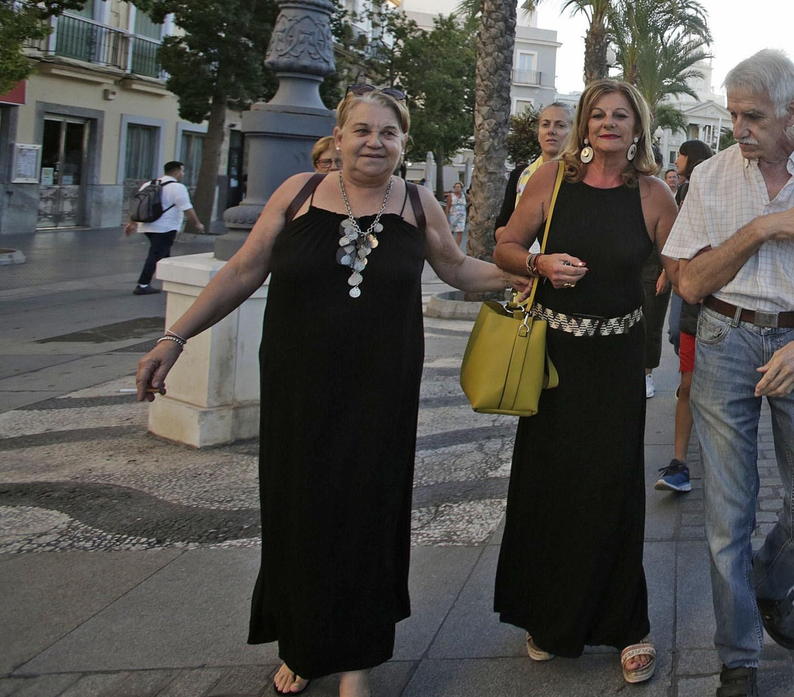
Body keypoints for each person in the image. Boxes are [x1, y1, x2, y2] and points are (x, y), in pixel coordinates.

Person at [134, 86, 521, 696]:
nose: (374, 142)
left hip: (381, 390)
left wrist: (532, 269)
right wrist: (175, 337)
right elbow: (240, 270)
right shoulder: (297, 194)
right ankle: (304, 644)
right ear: (338, 138)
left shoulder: (419, 205)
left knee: (368, 513)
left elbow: (458, 270)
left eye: (387, 133)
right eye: (362, 130)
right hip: (299, 387)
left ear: (403, 143)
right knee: (301, 510)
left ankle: (359, 660)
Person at [664, 50, 794, 697]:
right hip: (725, 340)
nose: (739, 127)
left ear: (793, 113)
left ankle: (769, 585)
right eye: (733, 114)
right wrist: (758, 230)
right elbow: (691, 282)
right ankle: (739, 660)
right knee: (731, 510)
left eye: (752, 115)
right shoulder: (713, 179)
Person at [491, 79, 678, 684]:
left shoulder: (653, 194)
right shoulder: (552, 180)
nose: (608, 124)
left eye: (620, 115)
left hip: (618, 360)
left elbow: (685, 264)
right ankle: (547, 616)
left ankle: (628, 626)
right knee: (551, 484)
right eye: (598, 114)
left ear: (636, 127)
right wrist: (537, 264)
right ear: (584, 124)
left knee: (615, 484)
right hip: (554, 360)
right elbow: (504, 246)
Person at [655, 138, 714, 494]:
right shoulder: (688, 194)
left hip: (732, 316)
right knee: (689, 384)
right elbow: (676, 242)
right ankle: (679, 463)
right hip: (697, 309)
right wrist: (671, 270)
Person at [125, 161, 204, 295]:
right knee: (155, 254)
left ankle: (171, 279)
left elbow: (137, 205)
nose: (183, 174)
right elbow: (187, 208)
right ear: (176, 172)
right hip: (165, 227)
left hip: (146, 225)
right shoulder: (178, 188)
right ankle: (143, 284)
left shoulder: (149, 184)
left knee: (164, 254)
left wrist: (131, 223)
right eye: (182, 171)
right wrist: (197, 224)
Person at [494, 102, 573, 236]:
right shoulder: (519, 175)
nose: (551, 131)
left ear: (575, 133)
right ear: (538, 132)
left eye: (560, 125)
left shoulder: (583, 176)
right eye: (545, 124)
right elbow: (500, 228)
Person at [443, 179, 468, 250]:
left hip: (462, 216)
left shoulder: (464, 195)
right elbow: (448, 206)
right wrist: (446, 216)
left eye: (458, 187)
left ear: (461, 188)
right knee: (451, 231)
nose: (457, 188)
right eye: (456, 187)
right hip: (453, 216)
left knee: (460, 231)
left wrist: (466, 206)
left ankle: (457, 247)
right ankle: (449, 246)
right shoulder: (451, 196)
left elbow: (471, 200)